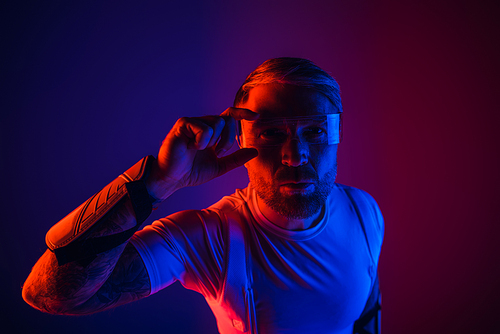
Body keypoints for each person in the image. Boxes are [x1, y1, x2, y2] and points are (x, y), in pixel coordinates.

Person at [22, 57, 384, 334]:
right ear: (241, 140)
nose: (295, 155)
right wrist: (158, 182)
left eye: (316, 131)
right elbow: (49, 296)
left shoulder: (363, 211)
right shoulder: (212, 238)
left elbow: (366, 315)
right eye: (272, 133)